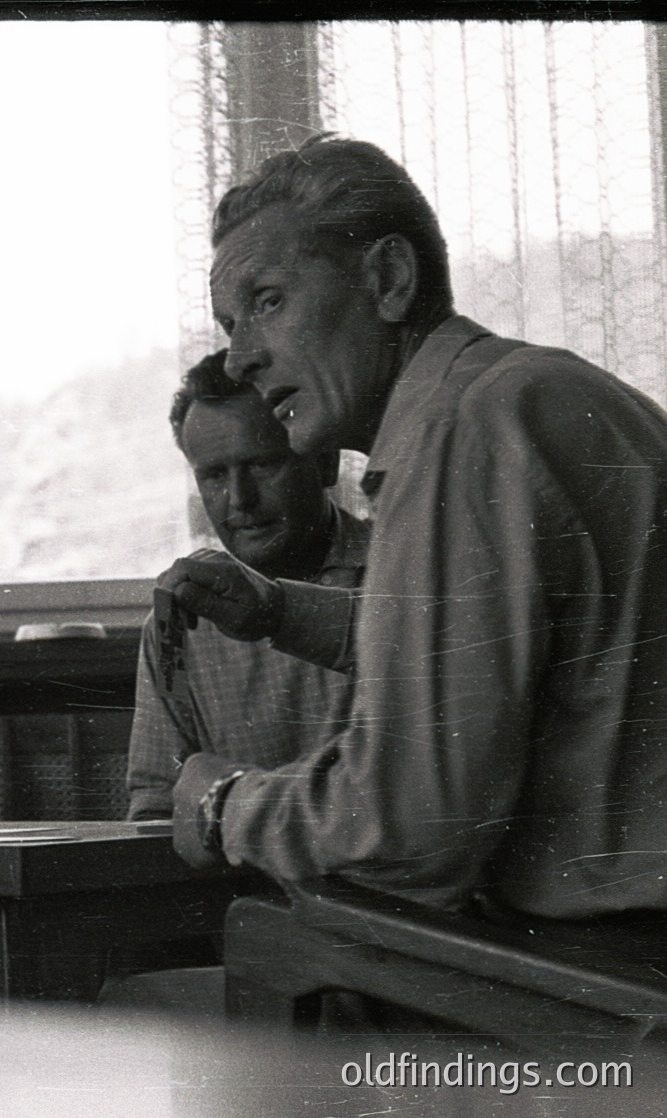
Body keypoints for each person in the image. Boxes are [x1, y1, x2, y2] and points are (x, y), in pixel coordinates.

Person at [163, 136, 667, 921]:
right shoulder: (523, 390)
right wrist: (279, 610)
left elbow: (410, 831)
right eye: (231, 323)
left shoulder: (461, 434)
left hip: (617, 975)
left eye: (267, 301)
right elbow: (484, 634)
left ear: (390, 281)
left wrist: (222, 805)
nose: (239, 361)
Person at [126, 350, 368, 821]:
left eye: (262, 465)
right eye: (214, 475)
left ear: (325, 465)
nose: (239, 500)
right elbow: (157, 802)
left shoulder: (401, 575)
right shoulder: (179, 620)